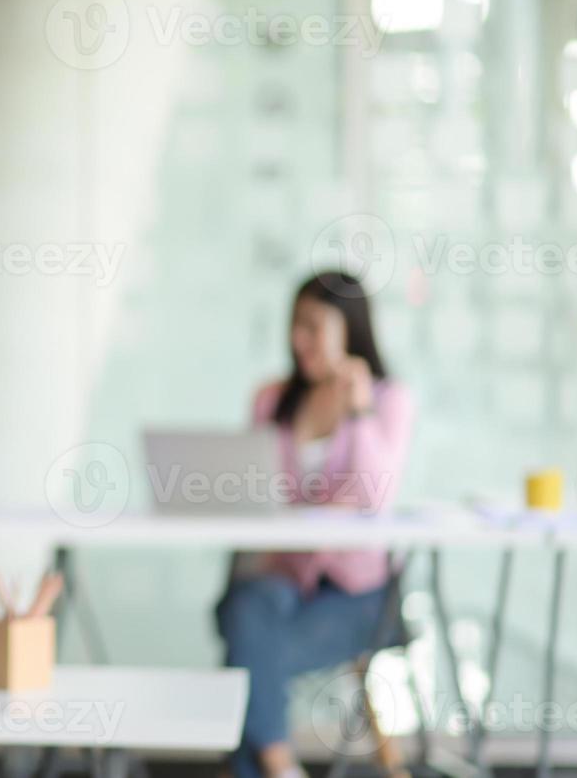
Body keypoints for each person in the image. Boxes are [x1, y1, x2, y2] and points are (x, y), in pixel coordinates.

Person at [216, 270, 415, 778]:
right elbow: (252, 493)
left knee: (250, 650)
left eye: (312, 326)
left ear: (348, 328)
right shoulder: (272, 399)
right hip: (283, 579)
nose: (298, 339)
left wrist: (360, 410)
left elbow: (375, 497)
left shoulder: (388, 400)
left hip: (358, 594)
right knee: (250, 609)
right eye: (294, 325)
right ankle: (280, 762)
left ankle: (270, 763)